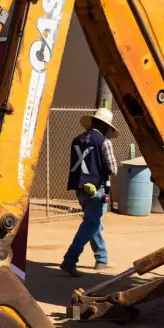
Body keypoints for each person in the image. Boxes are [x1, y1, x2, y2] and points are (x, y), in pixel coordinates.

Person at [61, 107, 119, 277]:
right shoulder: (105, 142)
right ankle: (70, 260)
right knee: (90, 224)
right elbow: (112, 168)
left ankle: (101, 258)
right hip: (97, 189)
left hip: (80, 190)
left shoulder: (76, 140)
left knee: (93, 222)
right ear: (105, 126)